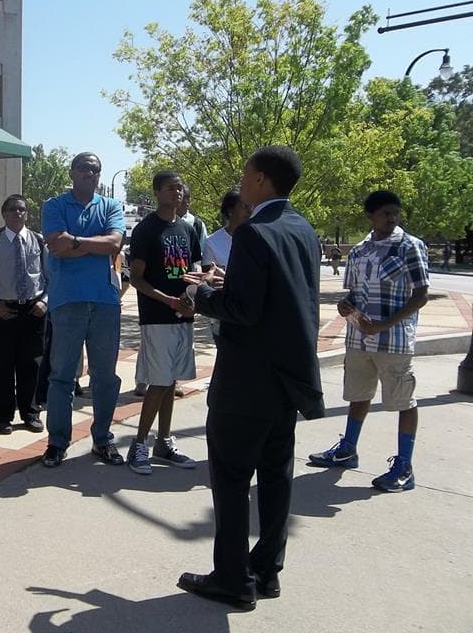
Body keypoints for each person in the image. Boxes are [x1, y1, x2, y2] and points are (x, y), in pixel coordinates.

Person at [177, 145, 324, 611]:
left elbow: (242, 310)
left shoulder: (254, 233)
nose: (241, 183)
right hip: (287, 378)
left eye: (245, 175)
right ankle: (267, 571)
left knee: (233, 477)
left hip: (246, 381)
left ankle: (233, 580)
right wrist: (229, 284)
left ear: (261, 179)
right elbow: (279, 298)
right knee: (277, 477)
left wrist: (201, 292)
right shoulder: (303, 229)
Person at [309, 190, 429, 492]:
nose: (391, 218)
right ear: (371, 215)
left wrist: (385, 324)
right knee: (358, 395)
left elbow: (421, 295)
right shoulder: (360, 250)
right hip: (360, 339)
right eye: (385, 213)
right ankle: (348, 448)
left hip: (394, 340)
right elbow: (353, 292)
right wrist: (345, 306)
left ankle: (404, 466)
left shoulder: (410, 247)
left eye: (394, 213)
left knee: (403, 400)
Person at [40, 152, 126, 468]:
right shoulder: (54, 206)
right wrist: (93, 244)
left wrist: (74, 242)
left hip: (105, 302)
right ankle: (56, 442)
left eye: (96, 169)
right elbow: (55, 244)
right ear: (72, 172)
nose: (91, 174)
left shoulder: (111, 206)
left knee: (105, 377)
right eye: (85, 168)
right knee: (62, 376)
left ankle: (102, 441)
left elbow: (115, 243)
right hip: (66, 301)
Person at [125, 171, 201, 475]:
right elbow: (136, 278)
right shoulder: (146, 230)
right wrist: (167, 300)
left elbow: (193, 271)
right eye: (171, 188)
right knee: (158, 382)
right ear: (157, 192)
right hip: (156, 318)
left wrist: (192, 296)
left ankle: (164, 442)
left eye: (181, 188)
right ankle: (139, 444)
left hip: (183, 315)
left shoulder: (188, 228)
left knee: (171, 382)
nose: (178, 193)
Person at [0, 194, 48, 434]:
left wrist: (45, 302)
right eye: (13, 209)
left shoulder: (39, 241)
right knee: (2, 366)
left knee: (32, 365)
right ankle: (2, 416)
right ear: (4, 213)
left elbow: (52, 278)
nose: (18, 213)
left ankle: (30, 413)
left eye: (22, 209)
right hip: (2, 311)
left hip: (34, 311)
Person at [201, 186, 252, 340]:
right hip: (225, 317)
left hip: (252, 313)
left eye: (251, 206)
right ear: (230, 211)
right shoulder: (212, 243)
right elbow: (210, 280)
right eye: (244, 206)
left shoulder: (258, 239)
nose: (249, 211)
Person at [179, 183, 208, 262]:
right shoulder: (165, 222)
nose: (185, 201)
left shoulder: (197, 224)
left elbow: (203, 253)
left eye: (188, 198)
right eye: (183, 197)